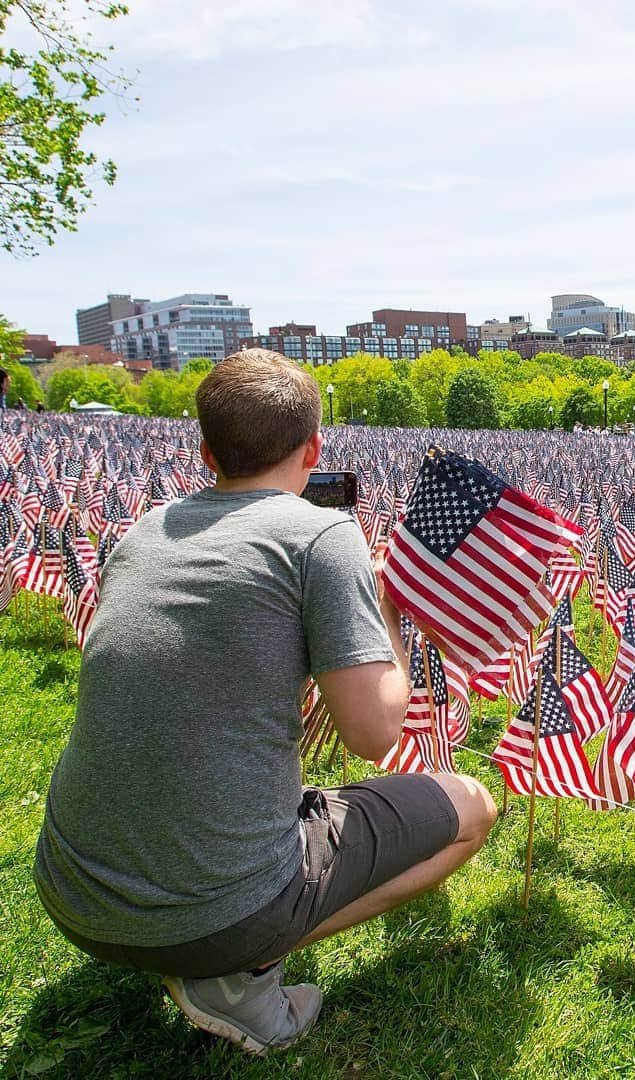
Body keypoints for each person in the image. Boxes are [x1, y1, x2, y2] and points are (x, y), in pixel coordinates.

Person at [33, 351, 497, 1056]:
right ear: (314, 449)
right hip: (205, 914)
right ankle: (239, 971)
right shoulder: (320, 533)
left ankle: (219, 938)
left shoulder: (142, 531)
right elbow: (374, 733)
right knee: (472, 806)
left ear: (207, 452)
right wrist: (388, 618)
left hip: (72, 890)